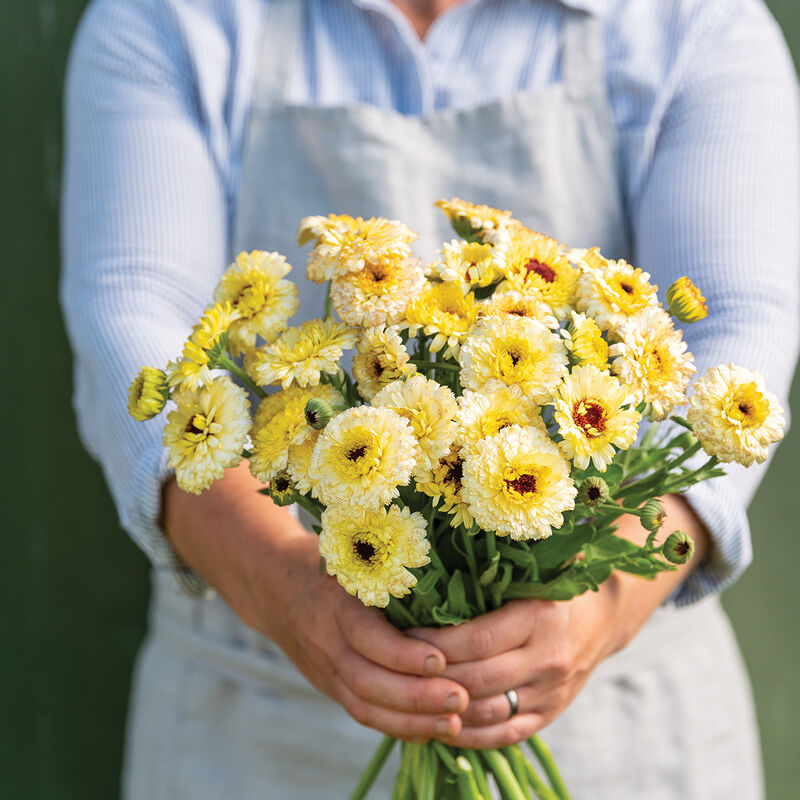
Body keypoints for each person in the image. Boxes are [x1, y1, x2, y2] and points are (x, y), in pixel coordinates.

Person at [60, 0, 799, 797]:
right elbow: (131, 311)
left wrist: (605, 602)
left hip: (618, 723)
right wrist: (280, 580)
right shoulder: (171, 17)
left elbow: (739, 327)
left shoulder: (692, 20)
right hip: (262, 708)